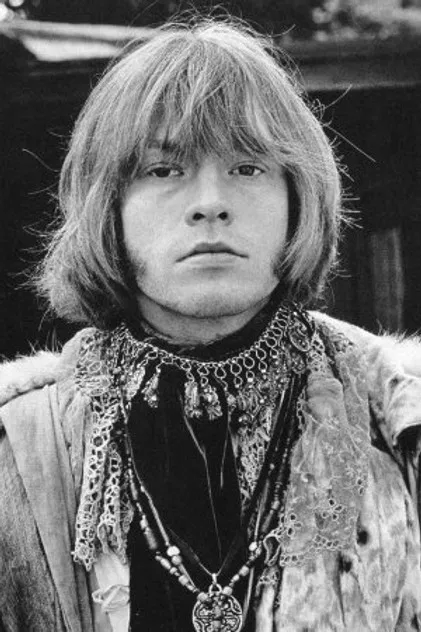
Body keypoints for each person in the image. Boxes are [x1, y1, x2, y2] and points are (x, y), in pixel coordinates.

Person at [1, 17, 421, 632]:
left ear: (298, 198)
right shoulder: (16, 446)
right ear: (107, 206)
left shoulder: (403, 423)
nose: (210, 203)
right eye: (164, 170)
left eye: (247, 167)